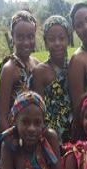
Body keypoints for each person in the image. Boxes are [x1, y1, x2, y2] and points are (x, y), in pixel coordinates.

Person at [29, 15, 73, 143]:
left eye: (62, 38)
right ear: (46, 42)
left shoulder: (74, 66)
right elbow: (38, 109)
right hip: (50, 135)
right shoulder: (40, 72)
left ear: (69, 39)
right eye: (52, 39)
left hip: (74, 129)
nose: (57, 43)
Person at [0, 10, 40, 134]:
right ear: (12, 37)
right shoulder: (9, 69)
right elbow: (2, 114)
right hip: (16, 133)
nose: (26, 42)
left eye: (30, 36)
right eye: (20, 37)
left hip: (34, 131)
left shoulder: (36, 64)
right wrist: (9, 140)